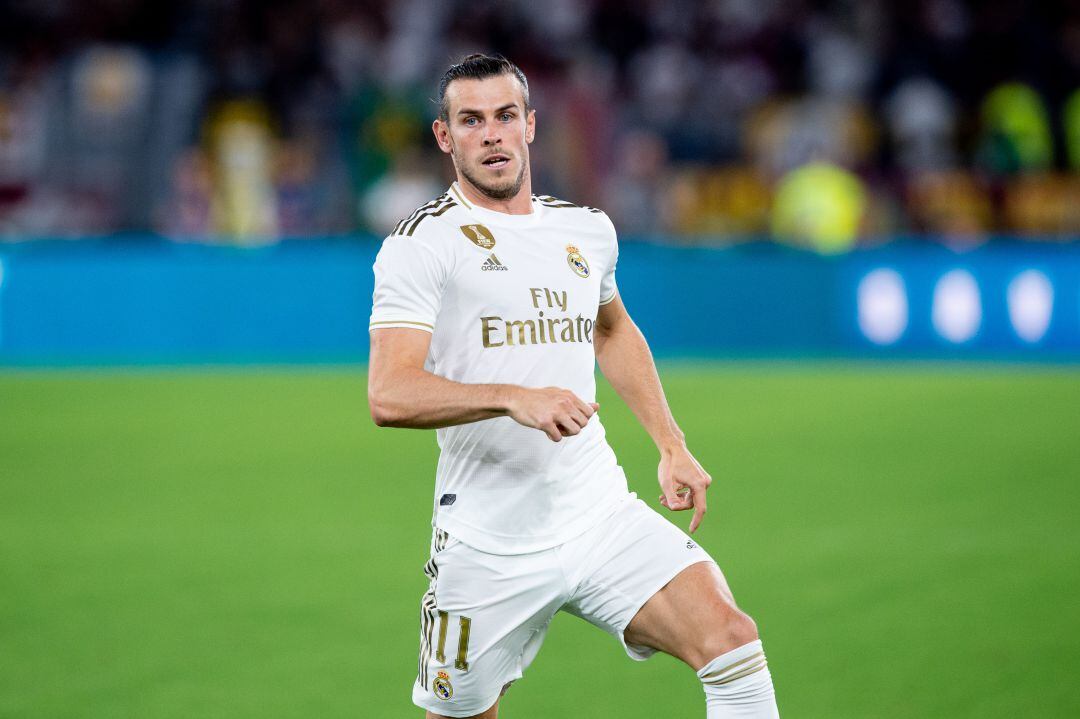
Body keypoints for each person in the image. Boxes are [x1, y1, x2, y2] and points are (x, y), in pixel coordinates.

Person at [368, 54, 779, 719]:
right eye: (470, 120)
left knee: (733, 646)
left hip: (598, 512)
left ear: (530, 126)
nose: (492, 134)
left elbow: (612, 331)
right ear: (445, 138)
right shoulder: (421, 245)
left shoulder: (585, 230)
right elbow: (389, 393)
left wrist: (670, 443)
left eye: (505, 117)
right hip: (488, 540)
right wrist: (512, 395)